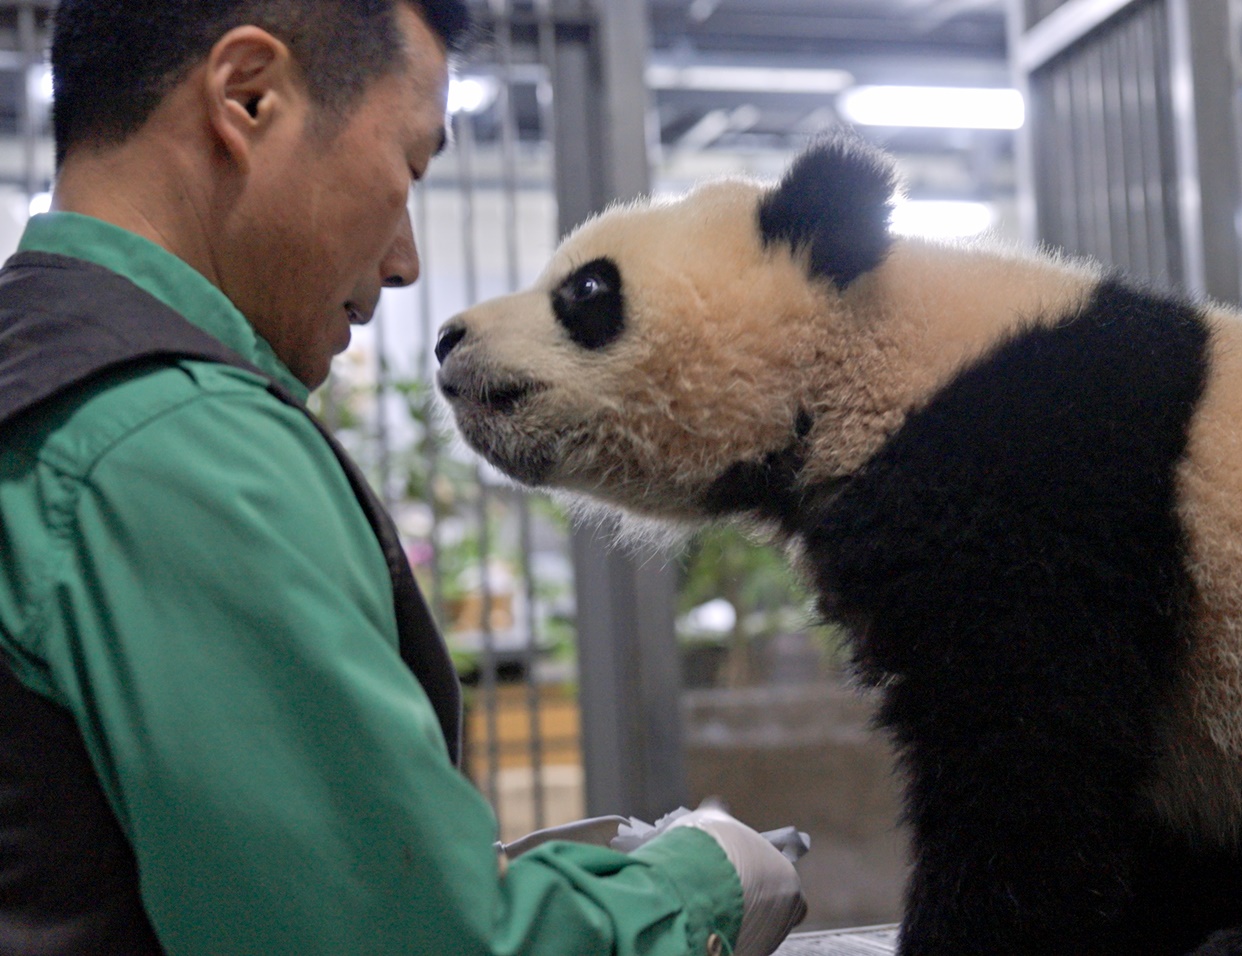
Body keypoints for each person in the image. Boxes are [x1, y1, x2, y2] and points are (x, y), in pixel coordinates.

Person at [0, 2, 804, 953]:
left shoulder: (33, 367)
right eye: (409, 167)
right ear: (247, 97)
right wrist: (699, 880)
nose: (407, 261)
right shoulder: (178, 443)